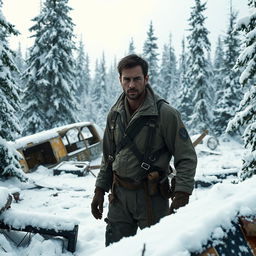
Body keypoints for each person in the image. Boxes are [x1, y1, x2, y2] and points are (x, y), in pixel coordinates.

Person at [91, 54, 197, 246]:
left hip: (152, 197)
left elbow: (186, 157)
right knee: (116, 250)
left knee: (157, 249)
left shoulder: (165, 114)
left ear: (146, 79)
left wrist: (182, 193)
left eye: (137, 79)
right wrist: (99, 189)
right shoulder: (114, 115)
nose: (131, 85)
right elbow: (108, 157)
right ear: (120, 80)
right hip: (119, 197)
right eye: (127, 79)